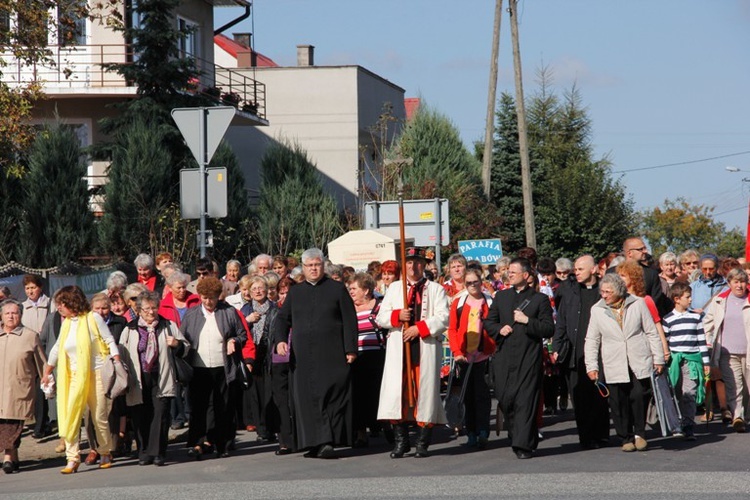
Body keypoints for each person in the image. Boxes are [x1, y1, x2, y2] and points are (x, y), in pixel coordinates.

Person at [273, 248, 358, 459]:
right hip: (302, 357)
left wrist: (351, 348)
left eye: (317, 265)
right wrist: (281, 340)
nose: (313, 269)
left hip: (332, 355)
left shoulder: (337, 289)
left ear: (323, 265)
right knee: (305, 399)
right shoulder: (296, 291)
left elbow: (350, 320)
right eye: (309, 265)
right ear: (303, 267)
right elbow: (283, 319)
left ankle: (326, 441)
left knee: (331, 397)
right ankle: (313, 443)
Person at [376, 247, 450, 459]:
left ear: (423, 265)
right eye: (409, 262)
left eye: (417, 262)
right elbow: (381, 317)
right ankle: (401, 442)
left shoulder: (435, 289)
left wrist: (420, 327)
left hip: (424, 348)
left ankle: (422, 443)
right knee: (397, 394)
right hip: (400, 348)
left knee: (424, 394)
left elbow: (444, 317)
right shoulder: (395, 288)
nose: (413, 266)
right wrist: (398, 315)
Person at [42, 286, 121, 474]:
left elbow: (109, 340)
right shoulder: (67, 323)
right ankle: (72, 458)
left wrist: (116, 361)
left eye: (61, 304)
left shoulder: (92, 318)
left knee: (99, 416)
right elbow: (57, 348)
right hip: (73, 377)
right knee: (71, 417)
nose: (59, 308)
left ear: (72, 303)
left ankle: (104, 452)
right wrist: (47, 371)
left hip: (96, 374)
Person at [585, 274, 665, 452]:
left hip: (638, 357)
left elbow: (651, 331)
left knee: (639, 395)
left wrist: (658, 358)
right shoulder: (597, 309)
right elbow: (592, 339)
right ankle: (625, 437)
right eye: (602, 291)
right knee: (618, 400)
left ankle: (639, 433)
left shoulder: (638, 303)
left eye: (608, 292)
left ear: (619, 291)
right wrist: (591, 366)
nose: (604, 295)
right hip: (614, 359)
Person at [484, 257, 554, 459]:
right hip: (504, 357)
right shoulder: (501, 297)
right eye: (509, 271)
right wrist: (499, 328)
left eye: (514, 271)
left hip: (528, 357)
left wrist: (527, 321)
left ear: (526, 275)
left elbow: (548, 328)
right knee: (506, 400)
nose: (510, 274)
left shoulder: (539, 300)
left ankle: (524, 445)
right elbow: (489, 322)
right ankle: (518, 436)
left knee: (525, 401)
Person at [180, 277, 250, 459]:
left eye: (211, 297)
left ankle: (222, 444)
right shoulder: (191, 314)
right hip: (199, 367)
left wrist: (233, 340)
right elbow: (184, 338)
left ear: (218, 296)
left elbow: (242, 334)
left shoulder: (229, 312)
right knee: (198, 407)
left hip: (222, 367)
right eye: (204, 298)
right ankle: (197, 442)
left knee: (222, 406)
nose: (208, 302)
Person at [119, 291, 190, 466]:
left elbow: (186, 347)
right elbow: (121, 353)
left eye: (154, 308)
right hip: (138, 378)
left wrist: (177, 344)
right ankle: (143, 452)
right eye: (146, 309)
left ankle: (158, 453)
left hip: (162, 376)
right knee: (140, 415)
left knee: (160, 415)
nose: (151, 312)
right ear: (139, 311)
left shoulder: (167, 325)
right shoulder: (130, 328)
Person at [551, 255, 610, 450]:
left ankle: (602, 434)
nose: (576, 272)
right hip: (576, 352)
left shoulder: (604, 292)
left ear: (593, 270)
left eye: (580, 269)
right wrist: (557, 347)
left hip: (601, 351)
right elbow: (561, 321)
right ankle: (586, 436)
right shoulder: (569, 292)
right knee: (580, 397)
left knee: (600, 394)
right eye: (575, 269)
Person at [447, 269, 496, 449]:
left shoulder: (490, 301)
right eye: (469, 283)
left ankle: (483, 430)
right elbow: (452, 329)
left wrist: (492, 349)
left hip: (484, 355)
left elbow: (494, 326)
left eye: (476, 282)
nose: (473, 285)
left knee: (482, 395)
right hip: (464, 357)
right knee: (467, 396)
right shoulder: (458, 303)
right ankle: (471, 433)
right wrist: (456, 352)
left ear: (481, 281)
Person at [0, 299, 46, 474]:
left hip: (19, 388)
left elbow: (42, 363)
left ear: (20, 315)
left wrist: (47, 381)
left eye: (15, 313)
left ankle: (8, 458)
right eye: (7, 313)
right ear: (1, 316)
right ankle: (13, 457)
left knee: (12, 424)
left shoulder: (29, 336)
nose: (11, 316)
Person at [703, 268, 750, 433]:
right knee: (734, 386)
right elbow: (707, 323)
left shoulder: (749, 299)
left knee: (747, 387)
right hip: (727, 352)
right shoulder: (720, 300)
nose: (740, 285)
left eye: (742, 281)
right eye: (736, 282)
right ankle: (738, 416)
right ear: (729, 283)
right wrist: (707, 343)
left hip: (748, 351)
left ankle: (745, 413)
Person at [661, 282, 710, 440]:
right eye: (687, 297)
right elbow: (665, 342)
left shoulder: (695, 318)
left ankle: (688, 425)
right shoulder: (668, 319)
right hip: (675, 362)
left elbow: (701, 341)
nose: (690, 300)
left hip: (692, 361)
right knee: (675, 393)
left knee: (689, 393)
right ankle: (676, 423)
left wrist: (706, 363)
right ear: (677, 299)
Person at [84, 293, 128, 465]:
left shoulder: (119, 322)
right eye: (97, 308)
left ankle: (111, 447)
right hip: (91, 371)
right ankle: (93, 448)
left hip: (111, 370)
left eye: (104, 308)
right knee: (89, 413)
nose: (101, 312)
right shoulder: (86, 323)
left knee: (110, 410)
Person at [347, 272, 387, 448]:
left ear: (366, 290)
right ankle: (361, 433)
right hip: (356, 357)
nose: (351, 291)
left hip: (378, 356)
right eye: (350, 288)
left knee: (379, 394)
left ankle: (386, 428)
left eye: (354, 288)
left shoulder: (380, 305)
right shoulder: (348, 308)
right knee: (359, 396)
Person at [240, 276, 277, 440]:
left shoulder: (275, 308)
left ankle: (271, 426)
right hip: (252, 354)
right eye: (254, 288)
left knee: (270, 392)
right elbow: (238, 331)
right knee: (256, 394)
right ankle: (261, 429)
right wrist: (247, 321)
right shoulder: (245, 310)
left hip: (269, 353)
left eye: (261, 288)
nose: (258, 291)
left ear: (267, 289)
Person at [22, 275, 55, 440]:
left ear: (40, 288)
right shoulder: (22, 307)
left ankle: (42, 425)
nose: (30, 291)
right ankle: (38, 421)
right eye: (27, 288)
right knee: (31, 388)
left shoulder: (50, 304)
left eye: (33, 287)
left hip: (46, 350)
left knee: (44, 386)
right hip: (28, 351)